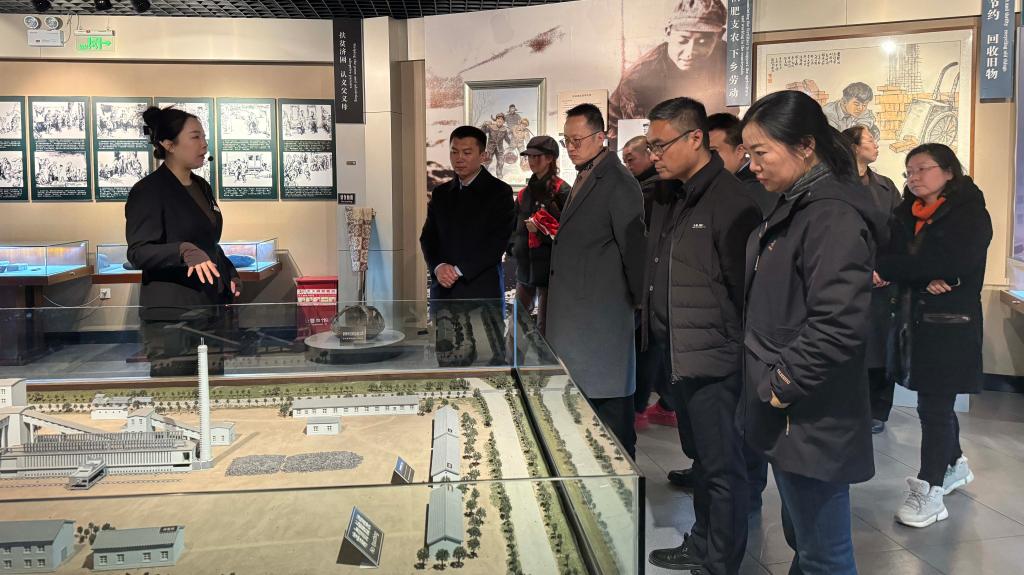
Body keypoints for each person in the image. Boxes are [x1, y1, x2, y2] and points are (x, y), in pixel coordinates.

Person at [739, 90, 885, 575]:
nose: (752, 165)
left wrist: (781, 385)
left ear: (805, 146)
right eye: (748, 153)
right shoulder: (800, 202)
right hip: (793, 411)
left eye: (761, 152)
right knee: (806, 542)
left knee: (825, 555)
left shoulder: (830, 214)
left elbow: (838, 322)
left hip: (810, 413)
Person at [643, 97, 761, 575]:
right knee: (704, 464)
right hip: (681, 355)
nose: (653, 155)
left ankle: (719, 561)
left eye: (660, 145)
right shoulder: (672, 194)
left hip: (717, 361)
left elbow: (743, 292)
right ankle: (702, 542)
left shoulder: (730, 201)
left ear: (696, 138)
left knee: (723, 467)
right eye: (650, 146)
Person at [876, 143, 992, 529]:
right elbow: (886, 259)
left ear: (948, 171)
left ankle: (931, 488)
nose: (913, 177)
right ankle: (954, 464)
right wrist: (922, 273)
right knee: (934, 401)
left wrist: (913, 269)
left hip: (950, 324)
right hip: (912, 322)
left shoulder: (969, 212)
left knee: (934, 406)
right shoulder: (904, 213)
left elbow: (956, 262)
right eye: (909, 171)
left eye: (922, 169)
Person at [546, 103, 646, 459]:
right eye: (567, 140)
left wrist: (636, 305)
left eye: (578, 140)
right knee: (582, 413)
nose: (571, 147)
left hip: (602, 317)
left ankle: (621, 485)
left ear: (601, 137)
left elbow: (635, 252)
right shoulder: (586, 176)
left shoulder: (618, 181)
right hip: (579, 316)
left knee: (611, 418)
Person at [126, 106, 240, 377]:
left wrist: (228, 271)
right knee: (176, 393)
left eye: (204, 137)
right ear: (169, 144)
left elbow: (207, 242)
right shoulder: (148, 191)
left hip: (207, 309)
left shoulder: (201, 187)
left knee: (211, 389)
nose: (204, 144)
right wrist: (182, 250)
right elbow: (138, 252)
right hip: (171, 316)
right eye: (195, 137)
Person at [842, 124, 902, 434]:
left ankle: (878, 409)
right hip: (847, 279)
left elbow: (900, 231)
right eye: (869, 140)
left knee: (881, 347)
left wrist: (886, 268)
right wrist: (862, 269)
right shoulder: (835, 185)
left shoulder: (885, 186)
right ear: (853, 147)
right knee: (850, 347)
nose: (876, 145)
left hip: (883, 282)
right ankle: (850, 407)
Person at [607, 0, 728, 143]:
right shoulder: (638, 78)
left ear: (719, 35)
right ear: (668, 32)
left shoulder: (726, 56)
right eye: (683, 40)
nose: (690, 52)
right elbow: (645, 140)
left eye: (702, 42)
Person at [420, 125, 515, 302]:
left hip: (481, 292)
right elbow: (428, 237)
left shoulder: (499, 192)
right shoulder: (441, 193)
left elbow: (497, 243)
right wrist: (439, 267)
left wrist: (458, 271)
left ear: (483, 156)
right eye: (454, 152)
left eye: (467, 153)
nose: (459, 158)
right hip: (443, 292)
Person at [622, 135, 677, 431]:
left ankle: (638, 408)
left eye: (631, 159)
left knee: (646, 347)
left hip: (649, 282)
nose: (627, 165)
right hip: (650, 281)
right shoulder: (648, 188)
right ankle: (661, 404)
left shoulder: (652, 191)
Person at [510, 136, 569, 336]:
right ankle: (513, 358)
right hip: (525, 268)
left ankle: (544, 359)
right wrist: (513, 248)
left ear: (550, 158)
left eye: (537, 156)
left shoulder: (562, 191)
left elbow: (570, 232)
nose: (532, 160)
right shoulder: (524, 193)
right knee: (516, 326)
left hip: (551, 271)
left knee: (547, 328)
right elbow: (514, 225)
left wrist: (542, 232)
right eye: (529, 156)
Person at [707, 112, 776, 216]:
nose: (706, 159)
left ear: (740, 151)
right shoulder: (723, 183)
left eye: (712, 151)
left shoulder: (756, 189)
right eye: (703, 153)